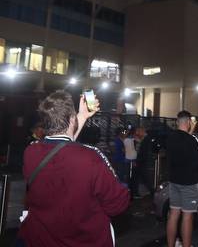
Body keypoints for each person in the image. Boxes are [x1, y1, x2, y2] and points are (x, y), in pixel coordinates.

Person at [17, 90, 129, 247]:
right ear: (71, 119)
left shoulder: (31, 152)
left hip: (39, 240)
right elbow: (117, 204)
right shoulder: (91, 157)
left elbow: (60, 148)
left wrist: (81, 117)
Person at [166, 111, 198, 247]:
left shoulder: (170, 138)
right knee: (187, 216)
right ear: (188, 122)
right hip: (189, 183)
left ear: (177, 122)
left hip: (174, 181)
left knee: (173, 214)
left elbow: (182, 141)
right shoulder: (192, 141)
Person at [131, 127, 154, 199]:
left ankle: (152, 192)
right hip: (142, 162)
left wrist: (137, 161)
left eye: (138, 132)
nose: (137, 133)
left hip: (142, 162)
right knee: (140, 178)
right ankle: (135, 193)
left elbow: (143, 152)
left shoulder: (146, 140)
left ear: (142, 131)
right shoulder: (144, 139)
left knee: (142, 178)